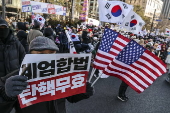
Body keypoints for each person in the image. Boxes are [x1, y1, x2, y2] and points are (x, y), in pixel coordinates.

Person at [4, 36, 94, 113]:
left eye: (51, 53)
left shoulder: (62, 73)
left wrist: (83, 91)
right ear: (30, 54)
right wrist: (5, 95)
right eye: (41, 54)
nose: (46, 57)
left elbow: (71, 98)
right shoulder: (17, 77)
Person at [0, 19, 26, 113]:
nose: (2, 30)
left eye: (4, 28)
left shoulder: (16, 43)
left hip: (17, 84)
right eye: (0, 28)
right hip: (1, 88)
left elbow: (24, 62)